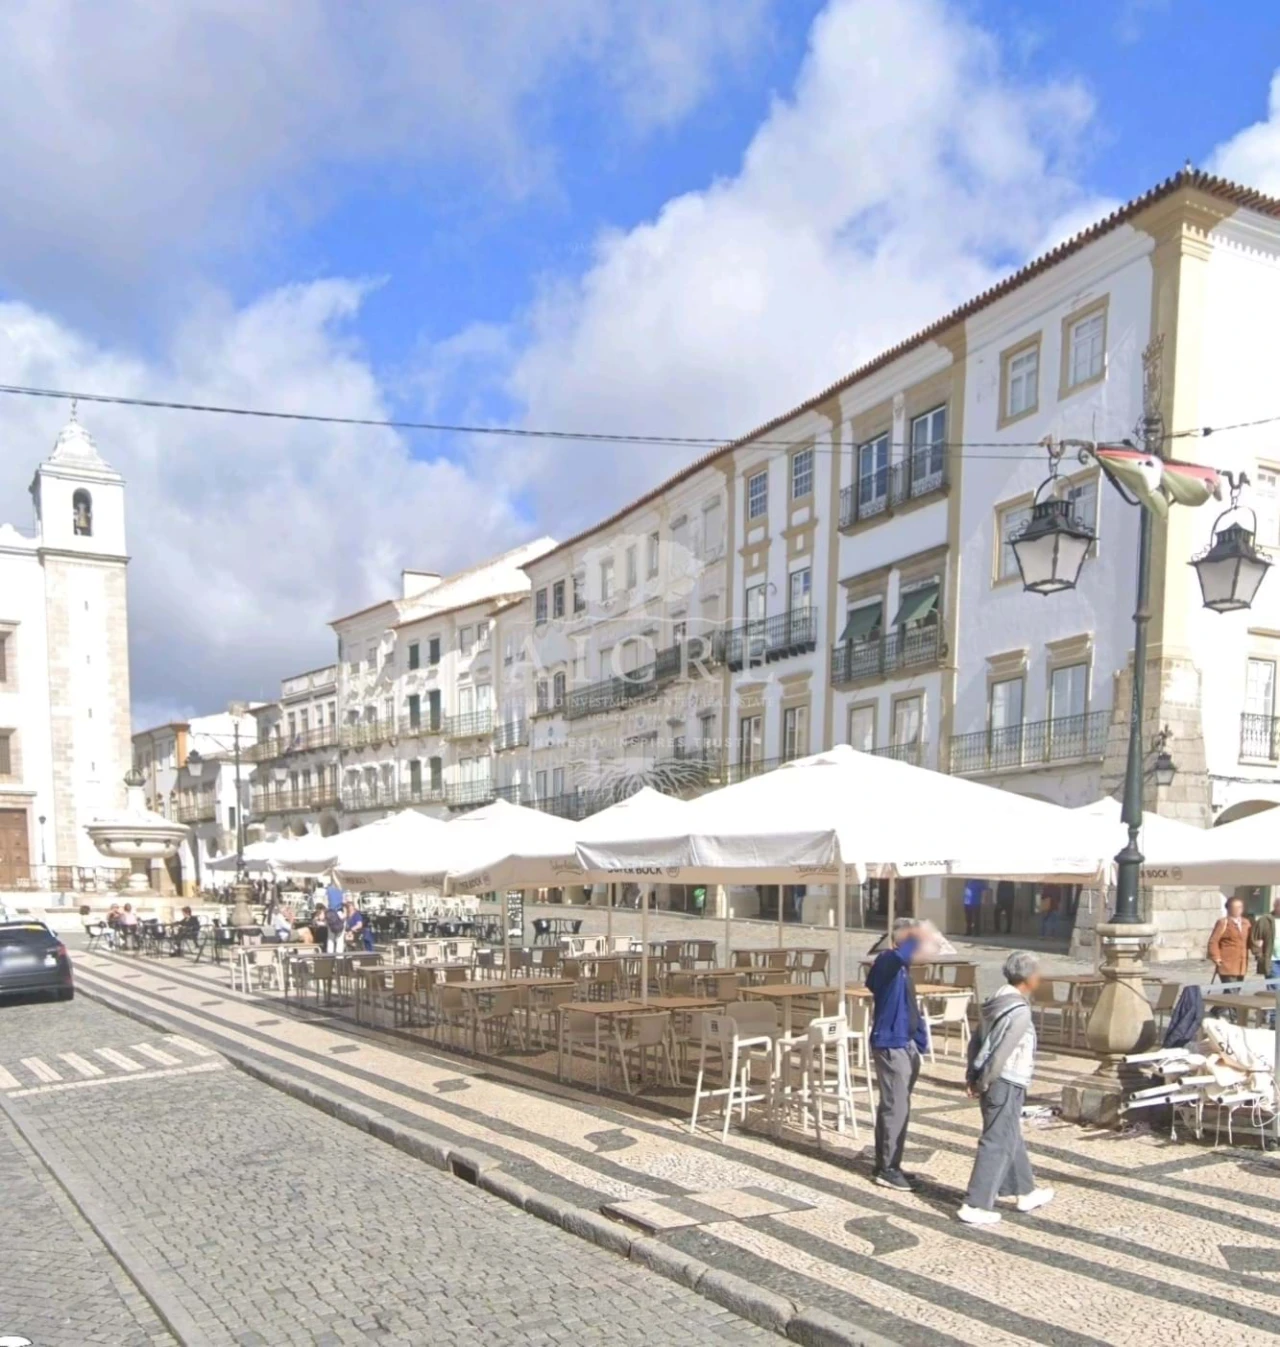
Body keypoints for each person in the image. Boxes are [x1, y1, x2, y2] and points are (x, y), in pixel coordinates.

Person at [958, 951, 1054, 1225]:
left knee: (1009, 1133)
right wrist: (984, 1081)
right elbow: (1002, 1052)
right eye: (1038, 973)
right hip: (1006, 1080)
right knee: (997, 1140)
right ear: (1028, 977)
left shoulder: (996, 1000)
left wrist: (972, 1075)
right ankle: (975, 1204)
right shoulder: (1019, 1011)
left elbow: (976, 1040)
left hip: (993, 1079)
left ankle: (1025, 1191)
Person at [866, 917, 931, 1190]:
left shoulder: (903, 969)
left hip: (905, 1043)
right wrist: (917, 935)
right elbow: (899, 956)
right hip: (891, 1044)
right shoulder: (887, 961)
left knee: (897, 1105)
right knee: (896, 1106)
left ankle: (890, 1162)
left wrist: (920, 1041)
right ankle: (887, 1169)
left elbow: (910, 1008)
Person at [1208, 895, 1252, 989]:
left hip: (1241, 965)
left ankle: (1223, 1000)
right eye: (1236, 907)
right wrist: (1216, 957)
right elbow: (1213, 941)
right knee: (1232, 991)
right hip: (1227, 964)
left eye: (1241, 907)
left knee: (1235, 991)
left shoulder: (1246, 923)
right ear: (1229, 909)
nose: (1239, 909)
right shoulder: (1223, 923)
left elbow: (1250, 940)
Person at [1251, 896, 1280, 985]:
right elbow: (1255, 938)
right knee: (1275, 987)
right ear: (1275, 906)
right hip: (1271, 960)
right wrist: (1259, 954)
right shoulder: (1265, 920)